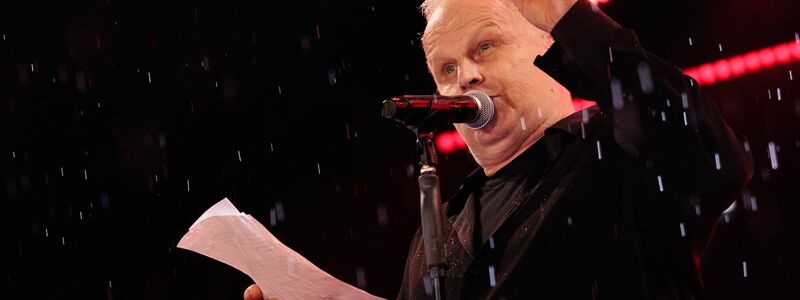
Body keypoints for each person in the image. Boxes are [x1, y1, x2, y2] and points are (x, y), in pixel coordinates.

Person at [245, 0, 753, 298]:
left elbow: (714, 157)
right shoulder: (434, 231)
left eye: (484, 46)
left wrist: (564, 13)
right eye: (445, 70)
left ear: (547, 45)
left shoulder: (619, 152)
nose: (464, 76)